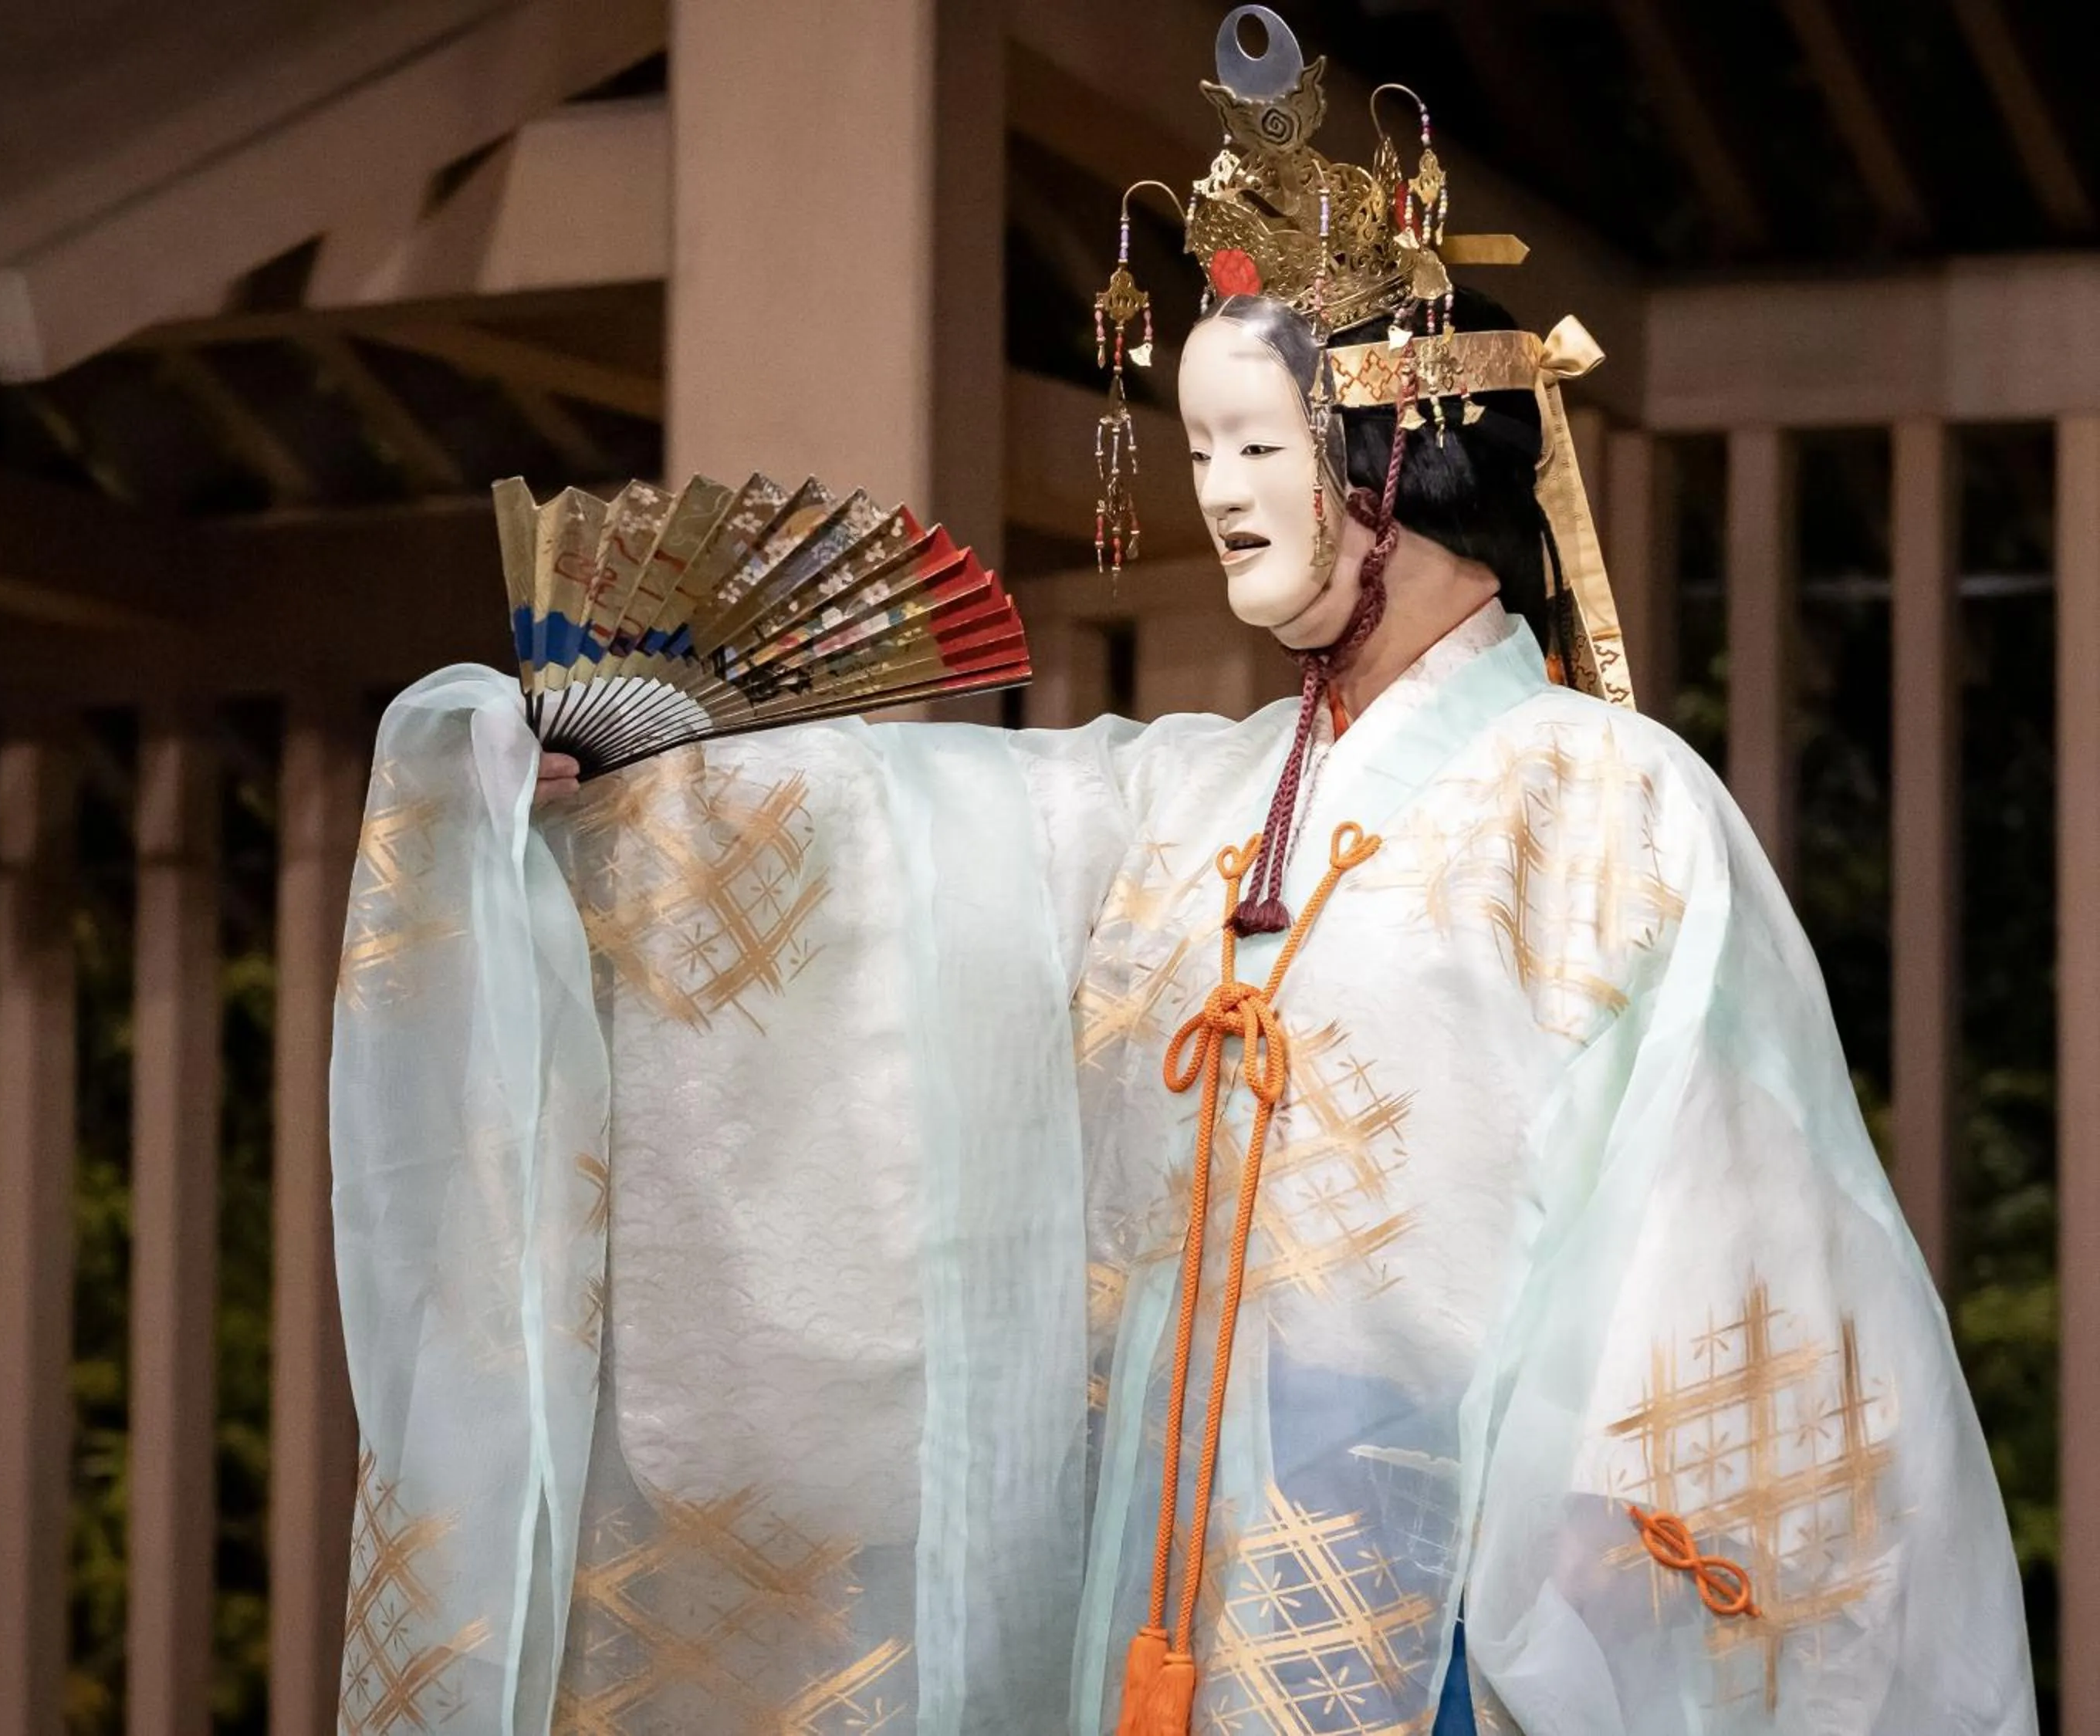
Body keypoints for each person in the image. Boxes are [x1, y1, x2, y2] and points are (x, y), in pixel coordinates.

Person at [332, 11, 2034, 1733]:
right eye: (1199, 448)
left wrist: (1600, 1577)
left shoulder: (1607, 811)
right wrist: (648, 790)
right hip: (1156, 1543)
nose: (1218, 493)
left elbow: (1723, 1228)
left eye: (1259, 446)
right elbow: (918, 846)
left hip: (1455, 1567)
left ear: (1397, 453)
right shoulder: (1189, 805)